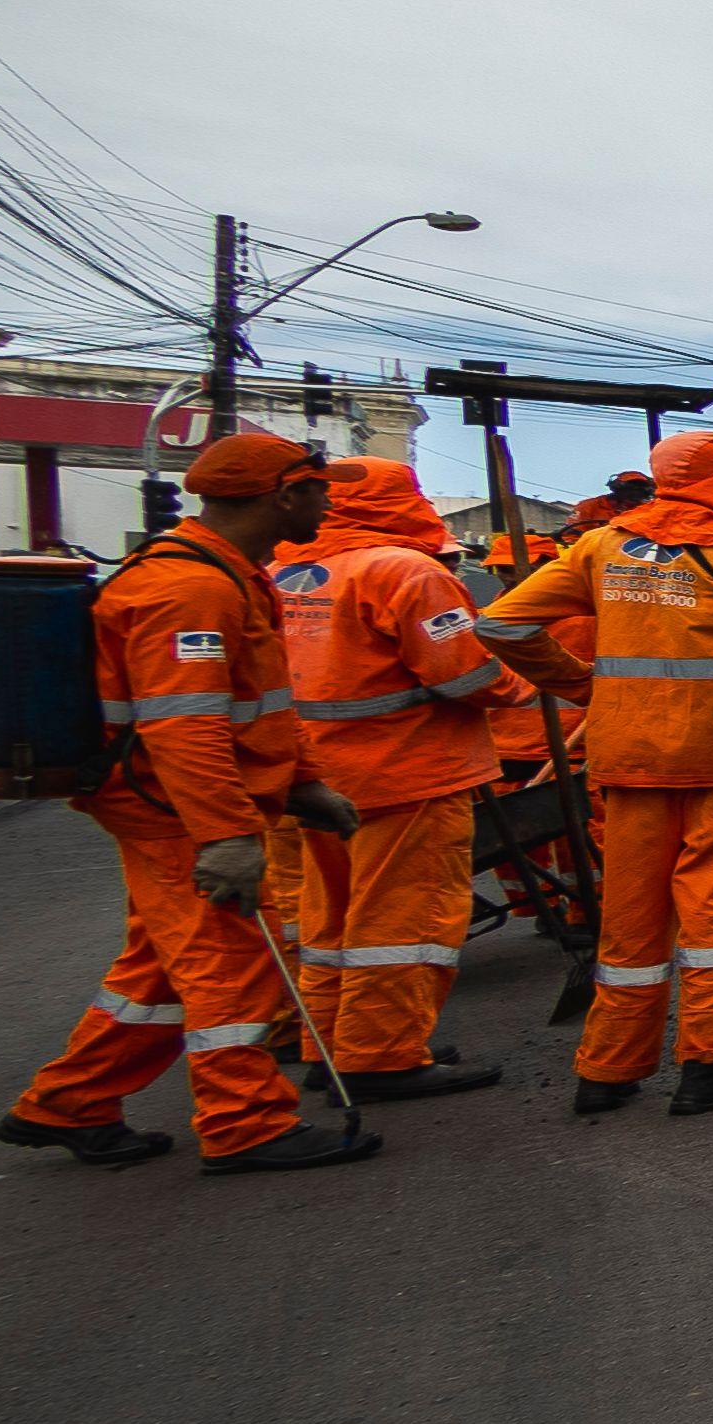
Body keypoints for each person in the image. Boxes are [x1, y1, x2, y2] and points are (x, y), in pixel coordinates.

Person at [0, 432, 381, 1177]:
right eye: (321, 489)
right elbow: (186, 726)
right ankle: (245, 1125)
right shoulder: (191, 589)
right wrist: (225, 837)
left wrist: (302, 783)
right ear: (284, 496)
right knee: (230, 965)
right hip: (174, 810)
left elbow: (256, 704)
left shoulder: (226, 574)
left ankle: (68, 1102)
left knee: (162, 969)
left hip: (174, 803)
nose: (330, 502)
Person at [471, 426, 713, 1118]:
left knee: (632, 924)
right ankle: (711, 1065)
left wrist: (586, 686)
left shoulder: (601, 548)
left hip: (632, 762)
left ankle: (609, 1071)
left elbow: (498, 626)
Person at [269, 457, 520, 1099]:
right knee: (403, 920)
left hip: (309, 778)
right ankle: (381, 1055)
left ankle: (329, 1043)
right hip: (404, 775)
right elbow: (464, 676)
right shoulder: (405, 570)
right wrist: (522, 685)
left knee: (332, 920)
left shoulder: (279, 572)